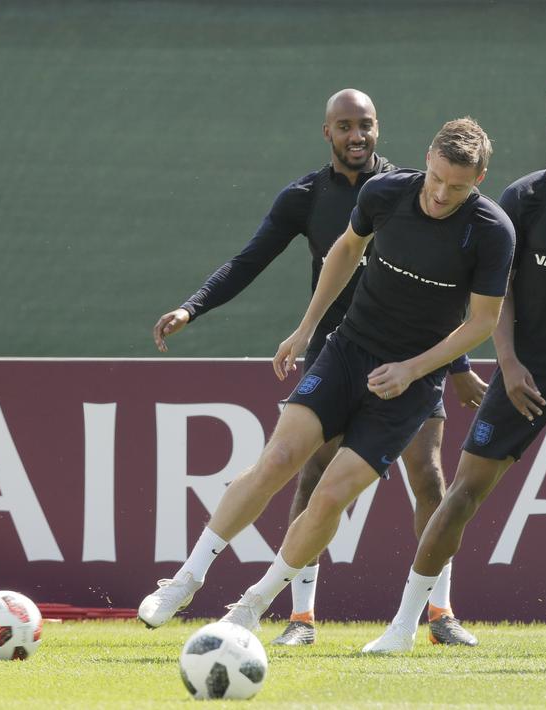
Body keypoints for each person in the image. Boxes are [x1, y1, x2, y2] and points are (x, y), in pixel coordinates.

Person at [148, 89, 486, 646]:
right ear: (326, 132)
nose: (357, 136)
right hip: (341, 351)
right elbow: (250, 258)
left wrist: (457, 367)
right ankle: (300, 617)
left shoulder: (421, 192)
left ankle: (439, 610)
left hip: (411, 366)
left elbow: (443, 293)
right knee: (304, 473)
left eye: (367, 125)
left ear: (379, 129)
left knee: (427, 475)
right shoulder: (308, 197)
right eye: (345, 126)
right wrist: (194, 305)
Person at [362, 80, 546, 654]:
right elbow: (496, 292)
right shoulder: (525, 198)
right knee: (461, 496)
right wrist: (509, 361)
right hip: (525, 370)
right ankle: (404, 624)